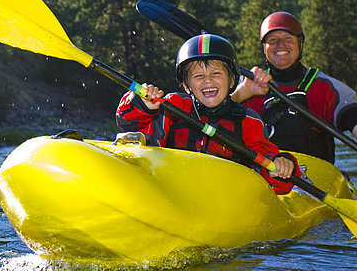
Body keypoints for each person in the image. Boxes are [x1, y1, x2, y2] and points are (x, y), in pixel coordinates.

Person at [116, 34, 300, 195]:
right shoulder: (173, 106)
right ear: (187, 86)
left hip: (221, 198)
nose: (207, 80)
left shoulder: (247, 121)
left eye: (216, 73)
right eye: (198, 76)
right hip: (171, 190)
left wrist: (278, 165)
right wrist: (142, 103)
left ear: (232, 81)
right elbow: (128, 122)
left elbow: (269, 171)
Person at [231, 12, 357, 164]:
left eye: (288, 38)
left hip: (315, 179)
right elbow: (212, 115)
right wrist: (241, 94)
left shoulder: (323, 86)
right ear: (264, 48)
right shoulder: (248, 85)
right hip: (262, 177)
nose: (280, 45)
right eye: (273, 40)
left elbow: (352, 116)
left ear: (300, 44)